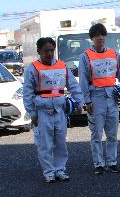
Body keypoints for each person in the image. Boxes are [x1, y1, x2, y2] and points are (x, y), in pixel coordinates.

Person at [23, 37, 83, 183]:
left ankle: (60, 170)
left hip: (60, 111)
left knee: (60, 142)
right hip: (42, 112)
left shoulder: (62, 66)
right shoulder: (33, 68)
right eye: (46, 51)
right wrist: (32, 113)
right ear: (39, 51)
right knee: (45, 144)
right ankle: (49, 172)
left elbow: (73, 85)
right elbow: (27, 92)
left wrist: (79, 102)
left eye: (51, 50)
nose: (49, 53)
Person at [78, 23, 120, 174]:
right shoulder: (85, 56)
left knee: (112, 133)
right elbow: (82, 80)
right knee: (96, 133)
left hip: (112, 97)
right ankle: (99, 164)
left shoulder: (114, 54)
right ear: (92, 38)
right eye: (96, 35)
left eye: (102, 35)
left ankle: (112, 162)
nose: (100, 38)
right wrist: (87, 100)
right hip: (95, 98)